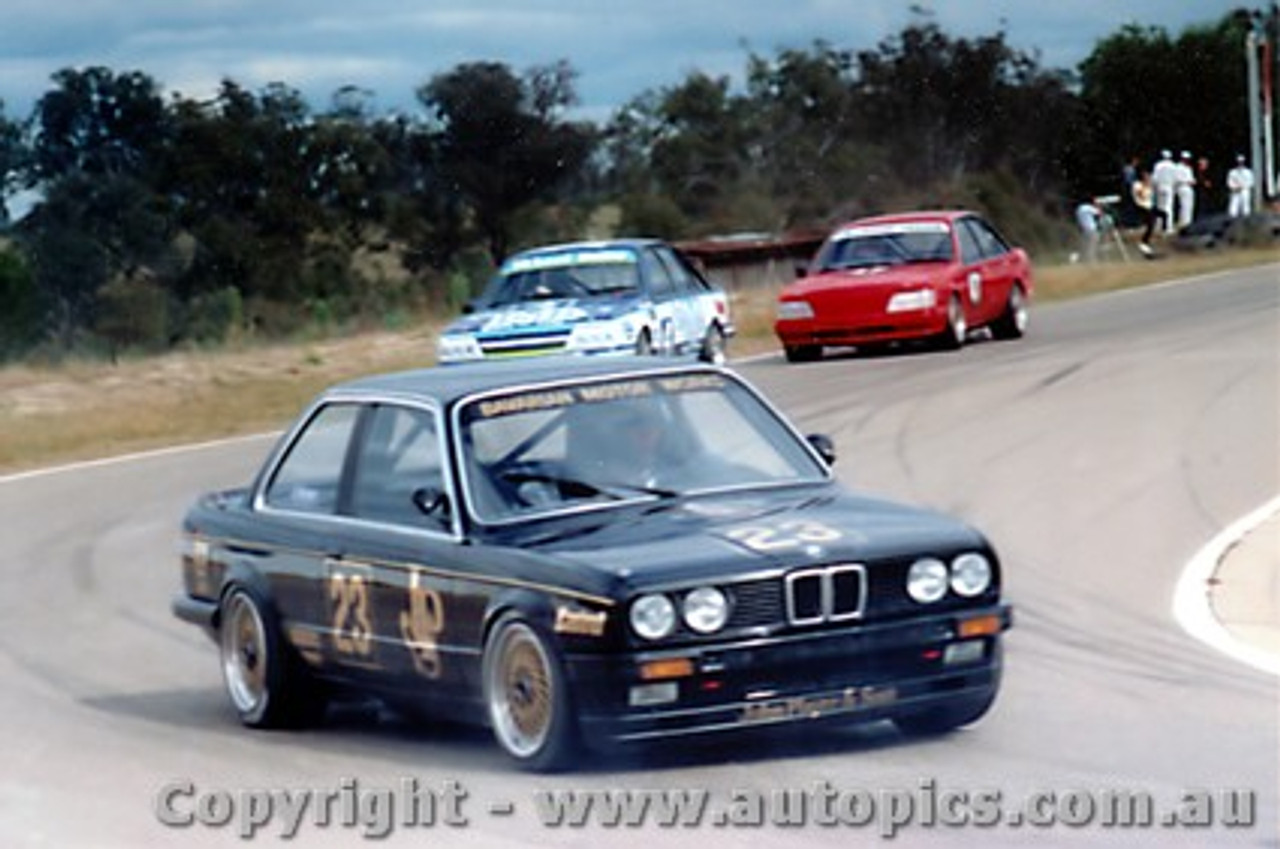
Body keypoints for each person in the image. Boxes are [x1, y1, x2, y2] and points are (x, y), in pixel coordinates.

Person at [1130, 170, 1167, 257]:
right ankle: (1144, 242)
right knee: (1150, 224)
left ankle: (1163, 230)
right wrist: (1145, 186)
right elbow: (1140, 195)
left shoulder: (1148, 185)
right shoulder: (1137, 184)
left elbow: (1150, 195)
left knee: (1164, 214)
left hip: (1149, 205)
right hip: (1141, 205)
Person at [1151, 150, 1178, 234]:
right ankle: (1168, 227)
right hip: (1169, 187)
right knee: (1168, 207)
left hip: (1159, 187)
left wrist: (1154, 187)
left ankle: (1158, 225)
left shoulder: (1158, 165)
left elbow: (1154, 178)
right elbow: (1175, 178)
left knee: (1160, 207)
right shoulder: (1173, 166)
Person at [1074, 199, 1103, 263]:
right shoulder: (1088, 207)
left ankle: (1084, 261)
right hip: (1092, 230)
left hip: (1085, 230)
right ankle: (1092, 262)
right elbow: (1099, 213)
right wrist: (1099, 206)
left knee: (1086, 247)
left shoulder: (1078, 210)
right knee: (1092, 247)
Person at [1174, 151, 1196, 228]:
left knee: (1189, 205)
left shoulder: (1188, 168)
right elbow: (1177, 178)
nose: (1187, 160)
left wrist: (1192, 181)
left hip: (1189, 187)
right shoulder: (1178, 167)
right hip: (1182, 186)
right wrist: (1188, 181)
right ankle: (1184, 222)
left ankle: (1188, 221)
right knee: (1184, 205)